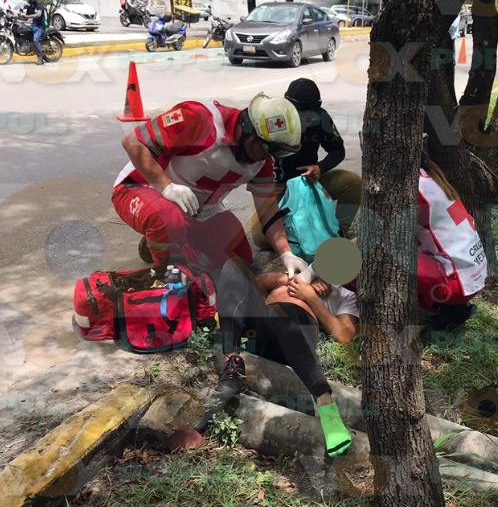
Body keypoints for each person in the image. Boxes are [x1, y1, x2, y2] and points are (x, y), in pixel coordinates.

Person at [112, 92, 309, 278]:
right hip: (139, 187)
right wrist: (167, 187)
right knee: (169, 221)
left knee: (239, 260)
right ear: (251, 134)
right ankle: (166, 273)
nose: (269, 157)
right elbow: (132, 142)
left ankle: (171, 241)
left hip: (198, 211)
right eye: (269, 150)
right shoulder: (199, 119)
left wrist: (286, 253)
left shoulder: (260, 163)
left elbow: (268, 211)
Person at [198, 258, 357, 457]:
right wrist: (283, 279)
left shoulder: (347, 295)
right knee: (234, 265)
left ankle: (326, 403)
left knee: (283, 315)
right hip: (260, 325)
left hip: (295, 331)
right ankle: (233, 362)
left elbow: (344, 335)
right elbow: (255, 283)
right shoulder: (305, 268)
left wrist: (310, 297)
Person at [250, 78, 361, 247]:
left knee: (353, 183)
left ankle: (337, 232)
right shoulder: (275, 119)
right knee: (261, 238)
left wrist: (320, 167)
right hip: (279, 186)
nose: (307, 119)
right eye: (302, 113)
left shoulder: (321, 117)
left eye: (311, 113)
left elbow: (338, 150)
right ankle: (298, 232)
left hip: (311, 180)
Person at [417, 153, 487, 331]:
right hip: (471, 274)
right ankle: (453, 309)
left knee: (373, 255)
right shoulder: (432, 179)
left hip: (454, 284)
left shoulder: (415, 188)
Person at [21, 0, 48, 66]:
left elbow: (38, 14)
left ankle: (40, 58)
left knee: (35, 40)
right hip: (34, 26)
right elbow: (26, 18)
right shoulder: (30, 7)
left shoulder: (40, 5)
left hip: (40, 27)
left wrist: (27, 16)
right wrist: (16, 16)